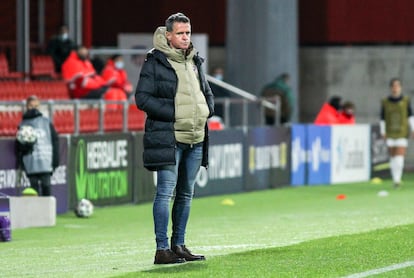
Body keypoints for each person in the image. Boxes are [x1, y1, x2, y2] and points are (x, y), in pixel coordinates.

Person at [135, 12, 214, 264]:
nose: (185, 37)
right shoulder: (154, 62)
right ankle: (161, 249)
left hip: (196, 137)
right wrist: (175, 114)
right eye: (180, 33)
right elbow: (142, 99)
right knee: (165, 192)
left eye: (188, 33)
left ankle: (178, 244)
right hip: (170, 137)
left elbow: (206, 90)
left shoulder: (195, 60)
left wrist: (207, 110)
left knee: (186, 194)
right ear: (168, 35)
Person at [16, 96, 59, 196]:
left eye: (36, 106)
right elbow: (18, 146)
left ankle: (47, 211)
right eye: (31, 106)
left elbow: (55, 140)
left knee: (46, 187)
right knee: (33, 189)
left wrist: (55, 160)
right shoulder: (22, 124)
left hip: (45, 161)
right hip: (31, 162)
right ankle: (35, 211)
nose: (33, 108)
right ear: (26, 106)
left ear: (39, 107)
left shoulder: (46, 122)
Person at [61, 46, 127, 105]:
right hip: (82, 92)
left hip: (94, 88)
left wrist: (101, 84)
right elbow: (78, 81)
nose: (85, 54)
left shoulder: (87, 62)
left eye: (85, 52)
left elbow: (94, 77)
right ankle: (111, 115)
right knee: (111, 93)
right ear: (76, 51)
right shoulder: (70, 63)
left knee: (119, 93)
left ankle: (120, 115)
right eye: (82, 52)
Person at [380, 78, 414, 188]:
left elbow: (410, 116)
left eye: (397, 86)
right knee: (393, 156)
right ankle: (395, 178)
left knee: (400, 157)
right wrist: (383, 131)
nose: (395, 88)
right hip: (390, 131)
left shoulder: (406, 101)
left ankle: (397, 179)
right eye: (393, 86)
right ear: (391, 88)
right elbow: (382, 117)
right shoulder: (385, 102)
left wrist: (413, 129)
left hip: (402, 131)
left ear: (400, 87)